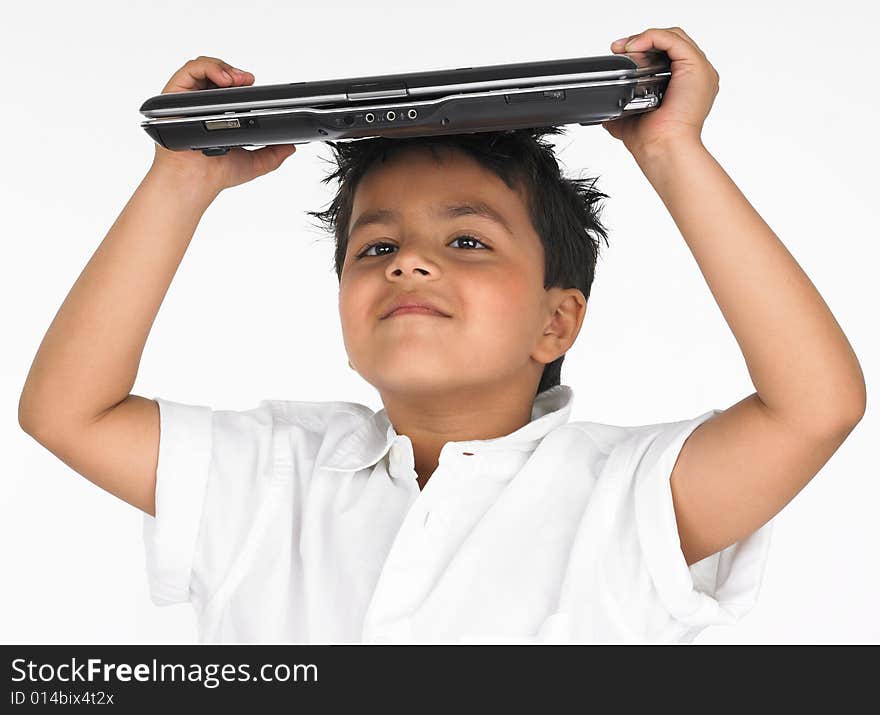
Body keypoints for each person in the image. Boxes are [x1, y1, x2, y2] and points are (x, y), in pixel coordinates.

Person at [18, 27, 866, 644]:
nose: (408, 265)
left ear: (556, 319)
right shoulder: (271, 474)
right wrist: (181, 178)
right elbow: (68, 412)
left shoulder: (631, 496)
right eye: (376, 246)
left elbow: (814, 407)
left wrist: (674, 150)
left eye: (467, 241)